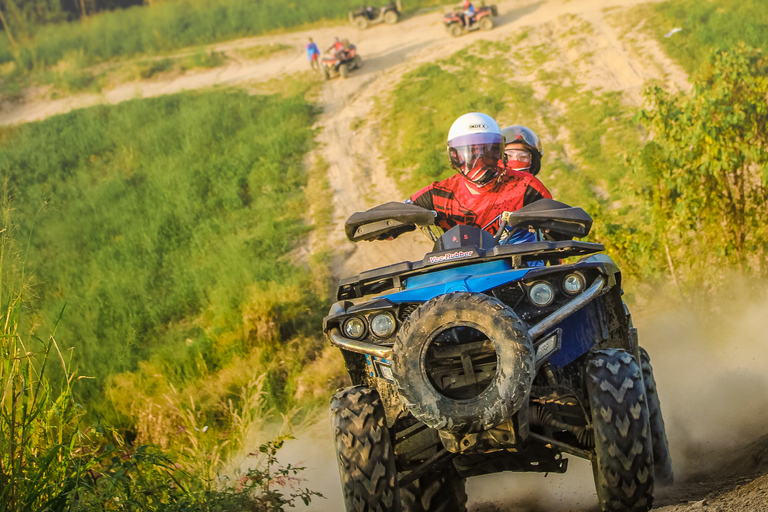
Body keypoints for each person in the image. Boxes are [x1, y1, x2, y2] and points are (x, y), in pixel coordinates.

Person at [408, 112, 551, 236]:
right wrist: (389, 225)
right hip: (459, 265)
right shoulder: (439, 194)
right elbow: (401, 213)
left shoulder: (527, 187)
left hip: (516, 265)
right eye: (472, 152)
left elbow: (559, 226)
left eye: (488, 151)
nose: (479, 159)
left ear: (499, 153)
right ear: (454, 155)